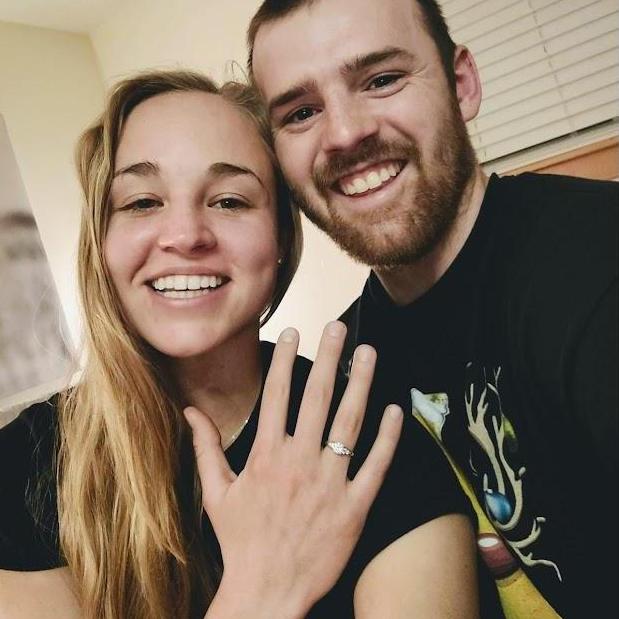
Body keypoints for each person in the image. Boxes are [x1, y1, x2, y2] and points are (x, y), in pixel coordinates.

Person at [0, 70, 479, 618]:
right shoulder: (26, 464)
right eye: (141, 202)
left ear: (280, 238)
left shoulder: (367, 435)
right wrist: (262, 587)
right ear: (100, 244)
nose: (185, 235)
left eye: (229, 201)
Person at [248, 0, 619, 617]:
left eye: (382, 79)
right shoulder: (344, 374)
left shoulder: (599, 259)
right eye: (302, 112)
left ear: (461, 84)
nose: (344, 133)